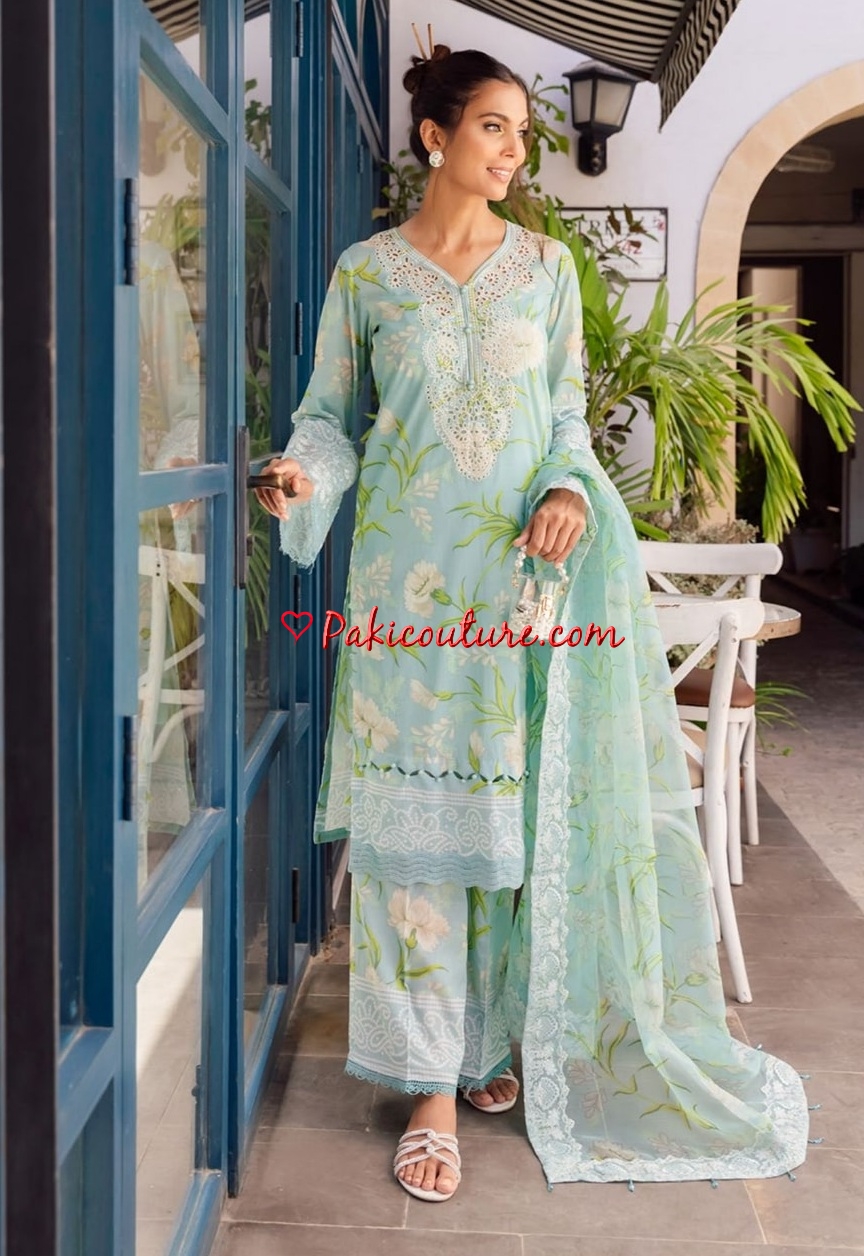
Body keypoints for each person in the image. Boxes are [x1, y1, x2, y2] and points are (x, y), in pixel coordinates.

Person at [255, 41, 809, 1204]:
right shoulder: (365, 275)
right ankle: (426, 1087)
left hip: (517, 587)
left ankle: (486, 1036)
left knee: (505, 830)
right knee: (414, 838)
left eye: (519, 131)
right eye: (493, 127)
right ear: (435, 137)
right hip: (405, 595)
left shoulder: (547, 269)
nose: (513, 150)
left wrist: (566, 488)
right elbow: (328, 421)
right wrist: (301, 479)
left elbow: (563, 418)